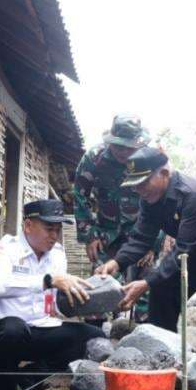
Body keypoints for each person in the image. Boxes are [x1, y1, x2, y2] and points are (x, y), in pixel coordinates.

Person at [96, 147, 196, 382]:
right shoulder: (150, 199)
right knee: (163, 288)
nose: (138, 190)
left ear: (164, 173)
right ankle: (164, 354)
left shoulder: (193, 194)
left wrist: (146, 282)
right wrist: (117, 262)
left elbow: (183, 248)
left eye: (143, 182)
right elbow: (142, 237)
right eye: (135, 184)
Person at [0, 199, 105, 390]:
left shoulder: (57, 254)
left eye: (58, 230)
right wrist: (46, 281)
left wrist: (94, 296)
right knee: (13, 329)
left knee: (94, 336)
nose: (54, 236)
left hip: (41, 329)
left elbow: (55, 303)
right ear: (28, 226)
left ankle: (29, 378)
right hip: (3, 337)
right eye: (49, 229)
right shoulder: (5, 248)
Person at [73, 115, 162, 322]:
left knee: (147, 282)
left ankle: (144, 330)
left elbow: (160, 200)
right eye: (118, 146)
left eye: (128, 147)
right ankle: (94, 331)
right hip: (105, 231)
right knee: (99, 279)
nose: (123, 152)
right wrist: (89, 236)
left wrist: (153, 243)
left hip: (141, 231)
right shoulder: (94, 158)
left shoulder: (149, 159)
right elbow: (80, 194)